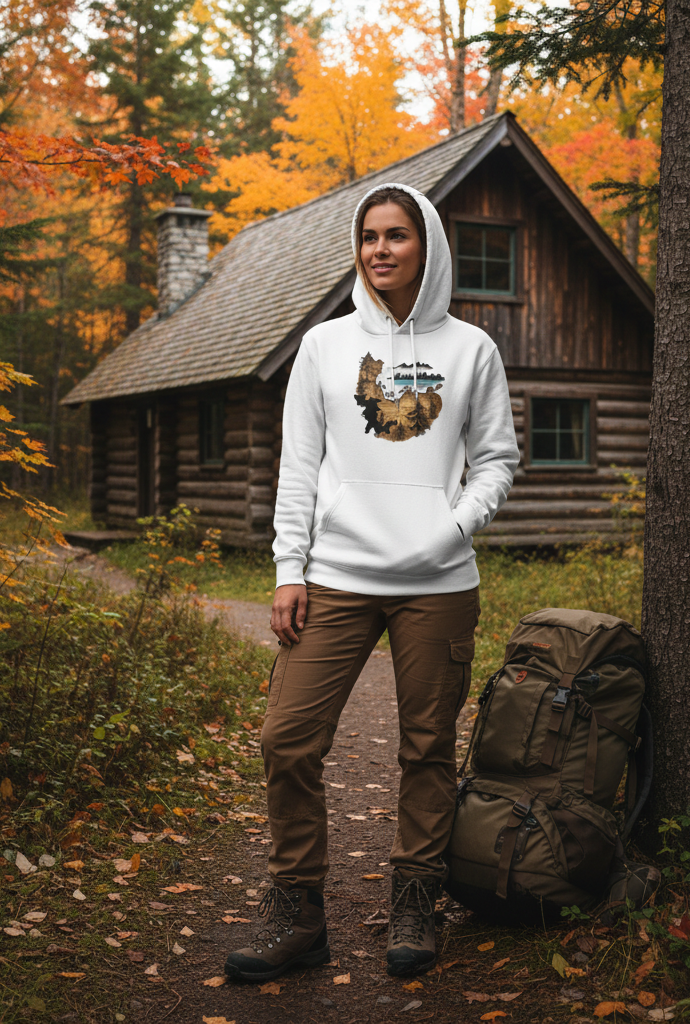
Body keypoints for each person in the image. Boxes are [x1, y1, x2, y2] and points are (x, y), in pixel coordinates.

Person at [224, 183, 519, 983]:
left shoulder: (471, 350)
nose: (380, 250)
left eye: (397, 236)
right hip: (338, 576)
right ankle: (297, 909)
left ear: (428, 245)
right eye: (369, 237)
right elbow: (299, 467)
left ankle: (416, 898)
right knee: (286, 740)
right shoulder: (322, 347)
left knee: (426, 749)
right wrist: (291, 569)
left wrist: (452, 526)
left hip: (440, 581)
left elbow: (497, 460)